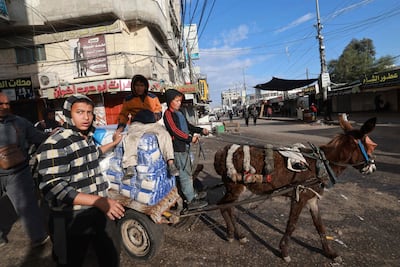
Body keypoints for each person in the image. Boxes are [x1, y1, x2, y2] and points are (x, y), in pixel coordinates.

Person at [36, 94, 125, 266]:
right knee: (73, 260)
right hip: (71, 217)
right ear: (68, 114)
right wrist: (99, 201)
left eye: (89, 112)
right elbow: (53, 187)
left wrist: (113, 143)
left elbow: (94, 154)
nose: (86, 117)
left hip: (97, 210)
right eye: (80, 112)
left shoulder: (86, 139)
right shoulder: (55, 143)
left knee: (111, 255)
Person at [0, 92, 49, 248]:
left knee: (28, 206)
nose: (5, 106)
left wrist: (52, 136)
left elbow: (37, 137)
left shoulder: (19, 122)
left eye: (7, 103)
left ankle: (38, 237)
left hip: (18, 173)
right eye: (1, 104)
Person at [116, 74, 179, 177]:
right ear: (133, 86)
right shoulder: (128, 99)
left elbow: (158, 110)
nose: (139, 88)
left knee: (164, 134)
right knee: (130, 138)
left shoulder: (152, 97)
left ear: (145, 86)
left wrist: (154, 117)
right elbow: (124, 115)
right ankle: (130, 166)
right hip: (137, 124)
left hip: (152, 123)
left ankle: (171, 163)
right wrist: (120, 129)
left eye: (142, 85)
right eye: (137, 85)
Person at [163, 89, 209, 210]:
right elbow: (175, 131)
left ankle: (192, 194)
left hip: (186, 147)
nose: (179, 103)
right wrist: (189, 138)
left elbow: (188, 126)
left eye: (180, 101)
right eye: (176, 101)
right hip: (178, 148)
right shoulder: (168, 114)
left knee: (188, 173)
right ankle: (190, 200)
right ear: (169, 101)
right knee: (184, 174)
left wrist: (200, 130)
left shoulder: (180, 112)